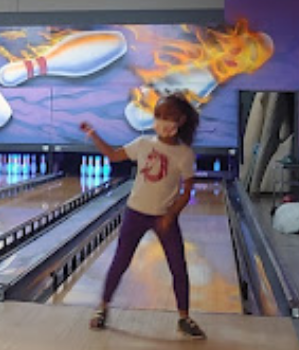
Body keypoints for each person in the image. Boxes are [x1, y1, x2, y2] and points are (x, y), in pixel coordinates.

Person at [79, 93, 206, 339]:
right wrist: (93, 135)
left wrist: (171, 215)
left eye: (168, 116)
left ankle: (184, 317)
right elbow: (113, 155)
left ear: (180, 120)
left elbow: (186, 191)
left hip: (164, 217)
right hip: (135, 212)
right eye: (158, 115)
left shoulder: (185, 154)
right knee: (120, 262)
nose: (162, 121)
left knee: (178, 267)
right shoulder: (143, 143)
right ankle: (102, 308)